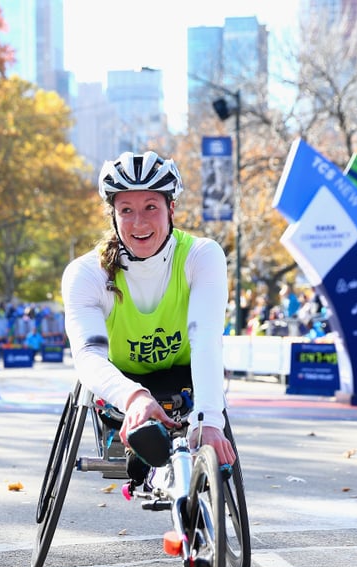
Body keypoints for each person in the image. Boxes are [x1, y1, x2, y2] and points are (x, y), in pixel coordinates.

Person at [62, 150, 236, 485]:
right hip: (122, 381)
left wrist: (210, 422)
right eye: (126, 210)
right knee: (142, 430)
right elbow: (88, 358)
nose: (139, 222)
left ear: (171, 209)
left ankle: (157, 455)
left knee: (208, 437)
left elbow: (206, 340)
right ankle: (143, 447)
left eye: (150, 208)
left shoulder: (202, 256)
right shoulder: (86, 273)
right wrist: (134, 398)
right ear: (113, 216)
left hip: (184, 376)